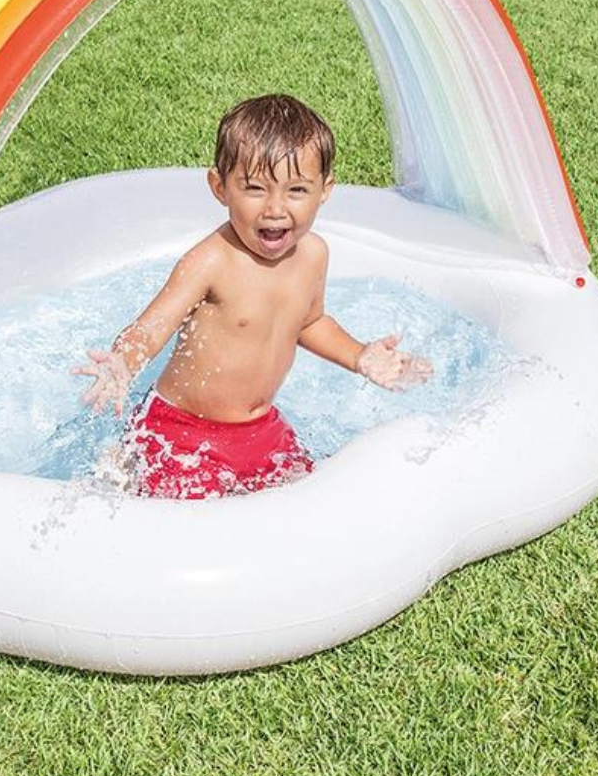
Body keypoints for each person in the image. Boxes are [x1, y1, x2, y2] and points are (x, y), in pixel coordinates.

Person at [76, 94, 433, 499]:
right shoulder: (210, 262)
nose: (275, 209)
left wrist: (359, 355)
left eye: (296, 190)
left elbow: (310, 322)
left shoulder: (314, 254)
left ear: (325, 191)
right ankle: (124, 462)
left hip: (260, 429)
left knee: (314, 498)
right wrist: (125, 360)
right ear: (220, 187)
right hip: (181, 431)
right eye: (255, 189)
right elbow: (153, 327)